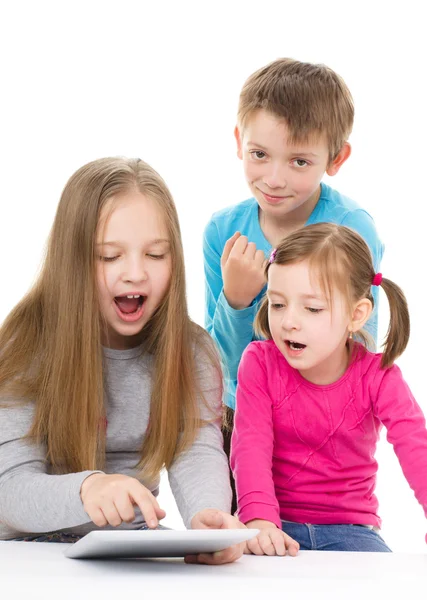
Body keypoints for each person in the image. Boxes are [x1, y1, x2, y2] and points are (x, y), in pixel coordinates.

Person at [0, 157, 245, 565]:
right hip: (29, 555)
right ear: (72, 261)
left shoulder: (192, 352)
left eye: (155, 254)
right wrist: (87, 490)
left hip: (132, 551)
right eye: (110, 256)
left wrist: (210, 516)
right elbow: (9, 488)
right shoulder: (25, 344)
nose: (135, 273)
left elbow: (196, 451)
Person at [203, 58, 384, 511]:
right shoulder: (223, 231)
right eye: (259, 154)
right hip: (239, 415)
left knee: (322, 534)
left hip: (322, 416)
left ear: (336, 158)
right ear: (239, 141)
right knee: (241, 538)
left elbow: (359, 342)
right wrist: (238, 301)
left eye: (300, 161)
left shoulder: (350, 227)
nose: (275, 178)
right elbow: (215, 360)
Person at [231, 222, 427, 554]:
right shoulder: (259, 362)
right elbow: (250, 446)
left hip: (351, 531)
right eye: (277, 304)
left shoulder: (379, 376)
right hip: (274, 524)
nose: (289, 321)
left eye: (312, 309)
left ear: (357, 314)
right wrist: (260, 521)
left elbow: (416, 447)